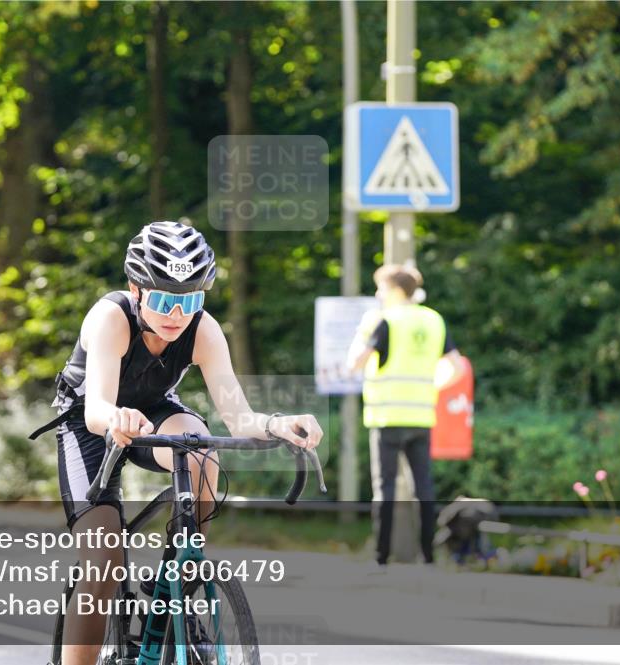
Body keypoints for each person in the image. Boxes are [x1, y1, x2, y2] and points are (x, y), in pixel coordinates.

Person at [30, 220, 323, 665]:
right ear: (137, 288)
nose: (176, 314)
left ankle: (179, 579)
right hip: (91, 423)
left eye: (190, 300)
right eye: (165, 299)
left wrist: (277, 424)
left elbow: (239, 417)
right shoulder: (111, 317)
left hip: (153, 412)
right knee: (104, 560)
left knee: (200, 448)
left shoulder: (203, 330)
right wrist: (117, 418)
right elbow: (96, 410)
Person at [347, 264, 460, 569]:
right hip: (422, 416)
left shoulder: (383, 320)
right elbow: (457, 366)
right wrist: (433, 385)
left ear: (395, 290)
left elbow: (356, 363)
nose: (377, 294)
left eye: (381, 288)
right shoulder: (433, 319)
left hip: (386, 416)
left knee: (384, 488)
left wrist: (361, 335)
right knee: (424, 488)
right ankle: (429, 556)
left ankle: (381, 558)